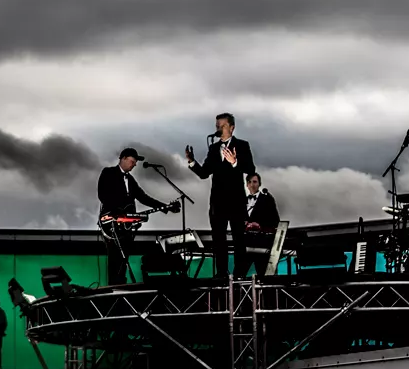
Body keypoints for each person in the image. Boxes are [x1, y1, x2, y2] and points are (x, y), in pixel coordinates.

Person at [187, 113, 256, 279]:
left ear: (232, 128)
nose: (218, 128)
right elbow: (204, 173)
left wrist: (235, 162)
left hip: (236, 200)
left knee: (239, 238)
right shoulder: (213, 148)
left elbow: (251, 169)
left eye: (222, 126)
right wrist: (192, 162)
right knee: (219, 239)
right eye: (217, 126)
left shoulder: (242, 145)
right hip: (218, 202)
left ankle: (239, 273)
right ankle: (222, 273)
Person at [97, 147, 174, 284]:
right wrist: (118, 211)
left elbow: (143, 197)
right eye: (133, 161)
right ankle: (114, 288)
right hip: (112, 223)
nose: (135, 164)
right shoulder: (108, 172)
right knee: (115, 258)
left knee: (123, 260)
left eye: (135, 162)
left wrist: (165, 207)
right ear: (124, 158)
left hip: (126, 227)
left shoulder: (131, 180)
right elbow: (102, 194)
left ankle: (121, 285)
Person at [239, 173, 281, 277]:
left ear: (259, 184)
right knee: (238, 275)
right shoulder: (242, 201)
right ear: (246, 185)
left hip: (262, 244)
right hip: (245, 243)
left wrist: (259, 225)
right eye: (249, 182)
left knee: (264, 276)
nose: (252, 184)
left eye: (254, 182)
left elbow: (275, 221)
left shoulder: (267, 199)